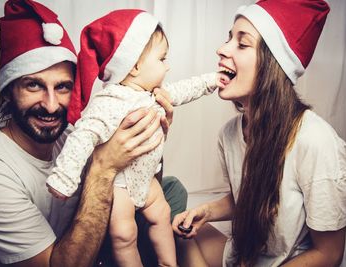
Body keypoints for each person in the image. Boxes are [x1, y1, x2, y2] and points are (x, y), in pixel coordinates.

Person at [0, 1, 187, 266]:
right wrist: (103, 167)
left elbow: (135, 186)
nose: (50, 104)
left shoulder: (71, 137)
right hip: (66, 259)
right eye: (34, 85)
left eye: (62, 87)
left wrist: (153, 137)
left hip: (90, 247)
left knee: (171, 190)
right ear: (8, 91)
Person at [172, 0, 346, 266]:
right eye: (228, 38)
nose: (221, 49)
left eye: (242, 44)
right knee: (172, 229)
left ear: (273, 66)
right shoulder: (229, 135)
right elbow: (247, 200)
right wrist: (205, 212)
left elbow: (330, 254)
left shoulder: (316, 141)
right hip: (243, 256)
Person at [45, 9, 221, 267]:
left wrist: (213, 81)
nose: (167, 65)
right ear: (135, 65)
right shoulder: (108, 103)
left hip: (146, 179)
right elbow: (82, 136)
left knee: (161, 214)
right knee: (124, 234)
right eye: (162, 59)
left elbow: (186, 89)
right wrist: (64, 178)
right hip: (121, 185)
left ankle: (168, 263)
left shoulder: (153, 94)